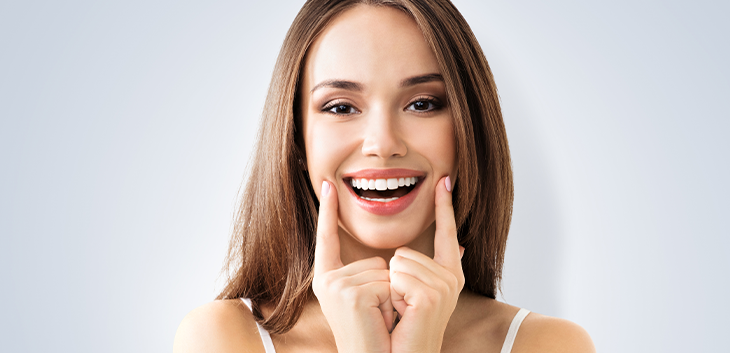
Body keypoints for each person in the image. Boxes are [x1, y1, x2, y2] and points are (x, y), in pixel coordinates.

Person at [174, 0, 595, 352]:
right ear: (297, 142)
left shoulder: (549, 345)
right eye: (341, 107)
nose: (382, 142)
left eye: (423, 104)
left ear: (468, 131)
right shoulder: (224, 339)